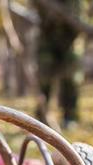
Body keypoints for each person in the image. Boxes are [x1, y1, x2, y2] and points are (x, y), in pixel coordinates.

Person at [34, 0, 83, 128]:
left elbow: (77, 16)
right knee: (44, 78)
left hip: (71, 37)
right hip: (48, 36)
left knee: (71, 79)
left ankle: (70, 116)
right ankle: (42, 116)